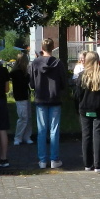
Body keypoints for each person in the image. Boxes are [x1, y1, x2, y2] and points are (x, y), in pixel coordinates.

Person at [30, 38, 67, 169]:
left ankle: (42, 160)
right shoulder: (58, 63)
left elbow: (32, 83)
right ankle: (54, 159)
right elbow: (63, 82)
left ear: (42, 48)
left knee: (41, 130)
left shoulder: (35, 63)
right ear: (53, 47)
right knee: (54, 130)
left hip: (40, 98)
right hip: (55, 98)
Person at [72, 50, 100, 172]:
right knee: (98, 135)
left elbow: (77, 94)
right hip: (99, 108)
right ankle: (98, 164)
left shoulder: (82, 75)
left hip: (84, 109)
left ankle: (88, 164)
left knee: (86, 135)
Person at [10, 52, 33, 146]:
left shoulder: (18, 72)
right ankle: (19, 137)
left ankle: (26, 136)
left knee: (27, 117)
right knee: (24, 117)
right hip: (21, 97)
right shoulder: (18, 73)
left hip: (24, 96)